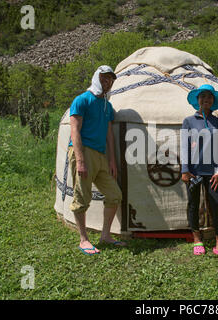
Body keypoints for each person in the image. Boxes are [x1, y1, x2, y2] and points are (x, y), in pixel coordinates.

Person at [69, 65, 125, 256]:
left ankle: (105, 236)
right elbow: (74, 130)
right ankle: (83, 239)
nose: (107, 82)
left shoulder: (107, 106)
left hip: (101, 155)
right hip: (84, 151)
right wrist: (80, 160)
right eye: (103, 78)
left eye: (110, 79)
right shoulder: (82, 100)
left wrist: (112, 160)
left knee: (115, 194)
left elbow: (109, 134)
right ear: (96, 78)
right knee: (82, 196)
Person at [181, 84, 218, 259]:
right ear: (198, 100)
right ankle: (197, 239)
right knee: (193, 204)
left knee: (217, 204)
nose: (206, 100)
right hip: (194, 172)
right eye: (203, 97)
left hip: (212, 172)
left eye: (209, 97)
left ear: (213, 101)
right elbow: (184, 147)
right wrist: (184, 170)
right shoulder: (189, 121)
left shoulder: (217, 122)